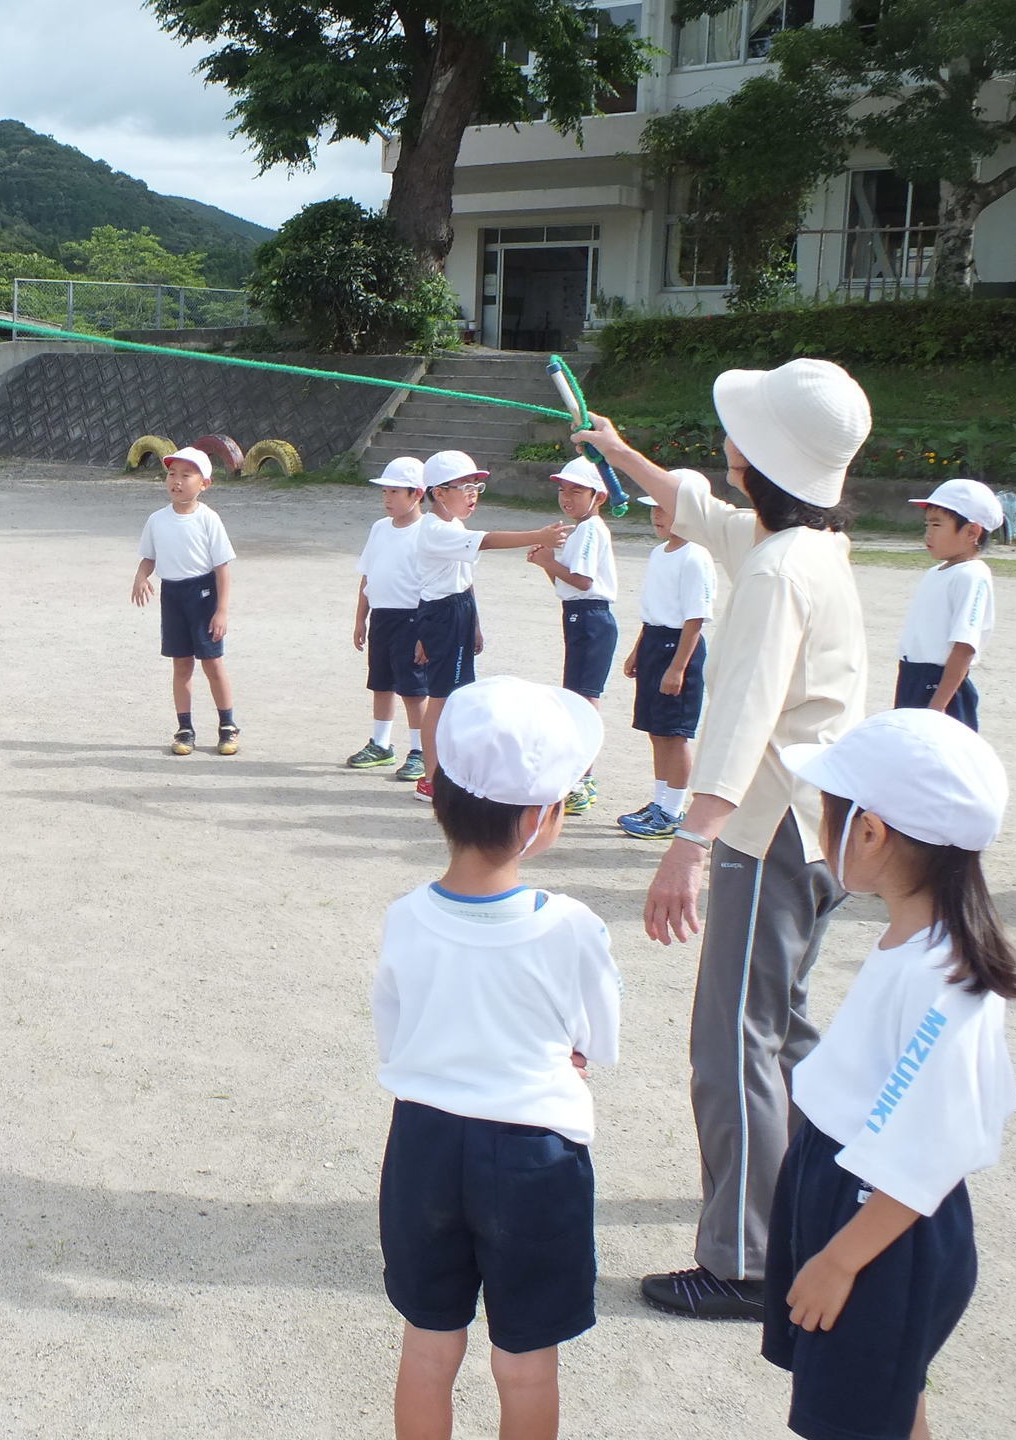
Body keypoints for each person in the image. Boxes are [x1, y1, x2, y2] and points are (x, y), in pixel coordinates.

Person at [575, 356, 872, 1321]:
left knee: (734, 1037)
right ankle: (838, 1182)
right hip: (817, 824)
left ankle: (743, 1260)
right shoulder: (809, 543)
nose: (725, 445)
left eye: (737, 432)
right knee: (780, 1027)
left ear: (760, 458)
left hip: (770, 824)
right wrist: (624, 456)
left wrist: (690, 843)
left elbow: (744, 712)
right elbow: (711, 516)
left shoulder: (781, 568)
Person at [373, 675, 620, 1440]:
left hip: (423, 1142)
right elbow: (597, 1041)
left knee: (428, 1346)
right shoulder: (571, 924)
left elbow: (394, 1031)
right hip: (533, 1154)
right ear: (544, 818)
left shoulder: (405, 917)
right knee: (523, 1362)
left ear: (437, 787)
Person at [768, 708, 1016, 1440]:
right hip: (849, 1186)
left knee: (854, 1419)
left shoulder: (944, 982)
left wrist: (841, 1260)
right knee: (878, 1406)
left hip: (878, 1221)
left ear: (870, 833)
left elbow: (927, 1150)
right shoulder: (918, 942)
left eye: (828, 814)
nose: (822, 831)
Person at [408, 450, 571, 802]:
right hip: (442, 613)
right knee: (442, 698)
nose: (472, 495)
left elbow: (465, 580)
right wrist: (537, 534)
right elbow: (489, 540)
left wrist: (475, 623)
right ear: (439, 492)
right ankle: (432, 778)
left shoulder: (453, 524)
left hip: (459, 610)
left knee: (458, 695)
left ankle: (449, 771)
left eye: (476, 488)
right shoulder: (434, 529)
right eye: (464, 487)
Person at [618, 489, 718, 840]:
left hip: (679, 648)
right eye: (654, 509)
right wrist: (638, 651)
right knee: (656, 730)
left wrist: (678, 668)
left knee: (675, 734)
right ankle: (659, 802)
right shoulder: (659, 553)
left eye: (666, 509)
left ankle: (674, 811)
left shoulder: (695, 557)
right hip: (654, 643)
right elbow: (653, 612)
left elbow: (695, 618)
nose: (657, 515)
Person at [526, 455, 618, 816]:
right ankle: (580, 775)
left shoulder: (592, 529)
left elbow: (583, 582)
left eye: (577, 491)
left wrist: (549, 561)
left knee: (584, 700)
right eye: (564, 490)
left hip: (592, 617)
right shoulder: (581, 530)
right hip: (579, 614)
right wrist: (547, 563)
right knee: (577, 695)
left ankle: (584, 778)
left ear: (598, 496)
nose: (567, 498)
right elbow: (567, 586)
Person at [132, 446, 238, 755]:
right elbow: (148, 558)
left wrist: (221, 611)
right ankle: (185, 728)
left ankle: (228, 726)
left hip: (203, 595)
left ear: (204, 483)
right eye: (171, 474)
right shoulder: (157, 520)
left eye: (186, 475)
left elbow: (222, 568)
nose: (176, 481)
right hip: (173, 595)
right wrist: (141, 577)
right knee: (181, 664)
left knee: (212, 663)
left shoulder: (208, 520)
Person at [894, 477, 1001, 731]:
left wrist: (938, 704)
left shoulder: (972, 575)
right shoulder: (937, 572)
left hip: (940, 685)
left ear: (972, 532)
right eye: (927, 524)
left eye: (937, 524)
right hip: (913, 677)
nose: (928, 533)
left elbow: (964, 647)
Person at [346, 456, 430, 780]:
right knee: (380, 683)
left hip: (412, 618)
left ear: (417, 494)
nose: (388, 499)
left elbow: (432, 585)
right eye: (385, 493)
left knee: (413, 688)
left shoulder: (426, 532)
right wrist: (360, 619)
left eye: (396, 492)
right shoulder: (379, 529)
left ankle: (420, 750)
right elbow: (367, 576)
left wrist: (426, 631)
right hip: (381, 616)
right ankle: (381, 744)